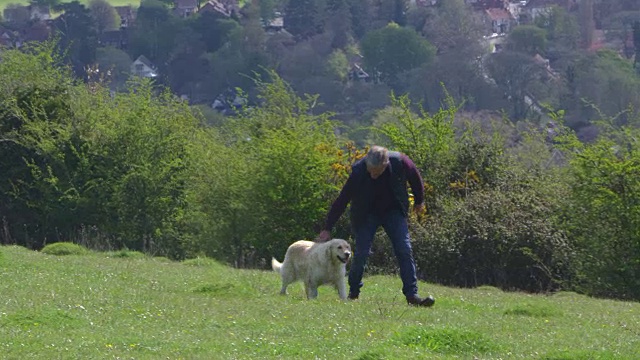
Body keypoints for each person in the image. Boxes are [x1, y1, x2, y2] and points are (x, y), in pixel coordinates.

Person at [317, 145, 435, 307]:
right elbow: (342, 200)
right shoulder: (359, 172)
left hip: (393, 210)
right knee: (361, 252)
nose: (372, 175)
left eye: (377, 172)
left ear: (386, 165)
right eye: (370, 170)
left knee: (404, 248)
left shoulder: (400, 161)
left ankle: (412, 295)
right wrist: (327, 227)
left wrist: (420, 200)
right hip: (366, 214)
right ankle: (353, 293)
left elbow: (415, 176)